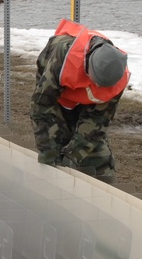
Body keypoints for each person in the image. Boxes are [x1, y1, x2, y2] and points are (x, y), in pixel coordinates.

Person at [31, 18, 130, 182]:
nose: (98, 87)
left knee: (100, 159)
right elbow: (42, 107)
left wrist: (73, 155)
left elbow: (97, 121)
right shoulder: (61, 57)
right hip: (57, 99)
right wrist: (48, 154)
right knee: (56, 144)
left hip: (87, 104)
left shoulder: (116, 74)